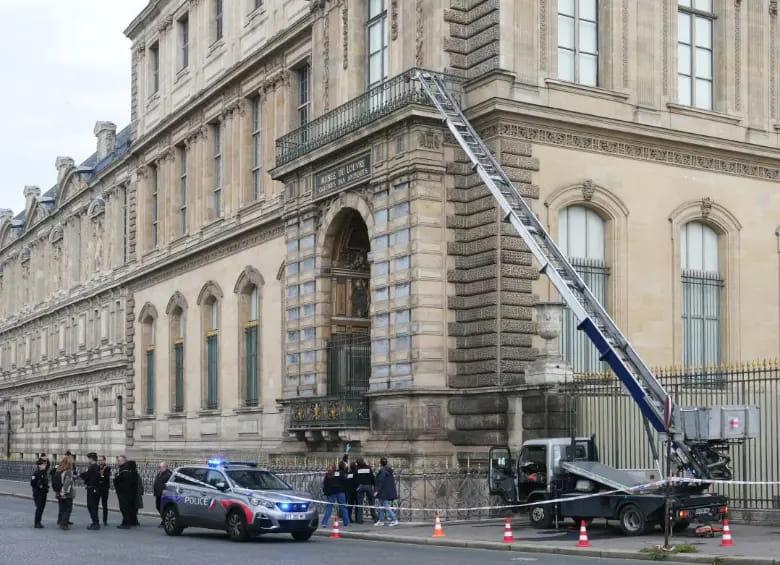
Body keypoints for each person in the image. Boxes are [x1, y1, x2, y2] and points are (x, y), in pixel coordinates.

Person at [79, 452, 101, 530]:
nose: (88, 460)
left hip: (92, 489)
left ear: (91, 459)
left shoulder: (93, 467)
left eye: (88, 458)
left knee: (91, 506)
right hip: (95, 488)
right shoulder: (96, 467)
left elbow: (87, 475)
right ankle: (95, 522)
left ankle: (96, 523)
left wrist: (80, 475)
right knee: (93, 506)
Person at [374, 457, 399, 527]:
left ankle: (394, 519)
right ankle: (381, 520)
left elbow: (381, 481)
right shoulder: (388, 470)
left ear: (380, 463)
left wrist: (377, 490)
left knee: (385, 506)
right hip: (386, 491)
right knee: (381, 506)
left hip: (383, 491)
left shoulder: (383, 471)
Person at [354, 457, 378, 524]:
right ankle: (375, 517)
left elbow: (355, 478)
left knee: (360, 504)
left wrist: (357, 486)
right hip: (368, 485)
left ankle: (359, 519)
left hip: (360, 486)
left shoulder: (357, 469)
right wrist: (374, 485)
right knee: (371, 502)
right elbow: (372, 477)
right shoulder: (368, 468)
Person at [113, 455, 134, 529]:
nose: (117, 462)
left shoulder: (125, 469)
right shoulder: (123, 468)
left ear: (123, 461)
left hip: (124, 492)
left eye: (119, 460)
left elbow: (123, 479)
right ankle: (125, 522)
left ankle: (127, 523)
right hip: (122, 491)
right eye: (118, 460)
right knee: (123, 507)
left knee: (124, 507)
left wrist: (116, 478)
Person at [56, 456, 75, 530]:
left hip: (60, 491)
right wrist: (63, 492)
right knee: (68, 509)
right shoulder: (68, 471)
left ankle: (61, 521)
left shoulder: (60, 470)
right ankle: (64, 524)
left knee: (63, 508)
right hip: (67, 493)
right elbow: (67, 482)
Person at [30, 458, 49, 528]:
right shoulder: (36, 473)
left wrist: (46, 458)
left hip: (44, 493)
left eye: (45, 464)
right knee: (39, 508)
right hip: (38, 493)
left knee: (42, 508)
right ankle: (37, 523)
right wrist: (39, 486)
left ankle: (39, 522)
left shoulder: (44, 472)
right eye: (43, 464)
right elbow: (32, 483)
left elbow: (48, 465)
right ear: (39, 465)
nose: (45, 465)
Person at [152, 462, 172, 527]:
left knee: (162, 508)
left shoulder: (168, 474)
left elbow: (168, 485)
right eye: (158, 467)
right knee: (158, 507)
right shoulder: (160, 474)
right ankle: (164, 520)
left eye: (160, 467)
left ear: (165, 467)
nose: (159, 468)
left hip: (163, 495)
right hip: (158, 494)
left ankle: (164, 521)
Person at [98, 455, 111, 526]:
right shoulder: (96, 467)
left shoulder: (107, 468)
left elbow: (105, 477)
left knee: (104, 505)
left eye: (101, 460)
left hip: (104, 489)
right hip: (97, 488)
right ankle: (96, 520)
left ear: (104, 460)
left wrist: (101, 475)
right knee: (95, 504)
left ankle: (105, 520)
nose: (100, 462)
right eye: (99, 460)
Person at [129, 460, 143, 526]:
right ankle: (134, 521)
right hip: (136, 494)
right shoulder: (136, 473)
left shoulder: (132, 474)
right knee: (134, 509)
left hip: (134, 494)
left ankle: (134, 521)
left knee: (133, 508)